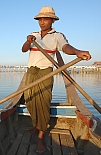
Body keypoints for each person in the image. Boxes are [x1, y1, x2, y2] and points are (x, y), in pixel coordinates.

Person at [21, 6, 91, 153]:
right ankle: (36, 125)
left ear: (53, 20)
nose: (42, 22)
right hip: (31, 72)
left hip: (45, 73)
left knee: (43, 103)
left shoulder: (57, 36)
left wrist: (77, 51)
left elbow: (65, 48)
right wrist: (28, 41)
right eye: (40, 19)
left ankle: (41, 134)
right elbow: (23, 49)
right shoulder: (33, 35)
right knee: (30, 100)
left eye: (45, 19)